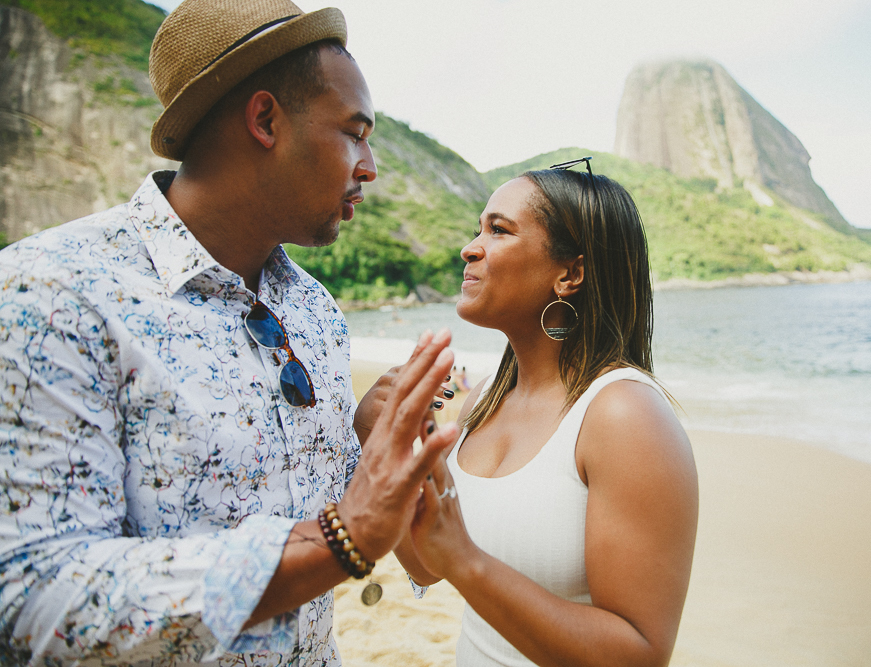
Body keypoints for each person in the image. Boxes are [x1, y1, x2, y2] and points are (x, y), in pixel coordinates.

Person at [0, 1, 458, 665]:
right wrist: (339, 539)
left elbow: (334, 513)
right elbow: (32, 594)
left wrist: (368, 443)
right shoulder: (50, 292)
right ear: (266, 119)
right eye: (355, 133)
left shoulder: (317, 312)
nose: (371, 165)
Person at [402, 162, 700, 666]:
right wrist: (378, 437)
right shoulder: (483, 403)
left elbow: (639, 655)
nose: (470, 247)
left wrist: (467, 562)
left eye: (498, 230)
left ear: (570, 274)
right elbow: (427, 565)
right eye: (479, 229)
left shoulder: (622, 415)